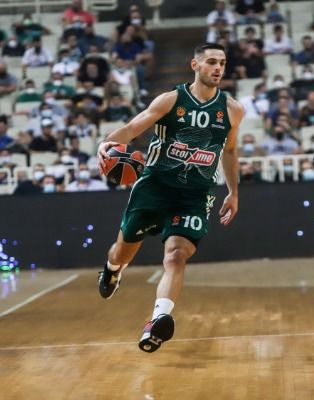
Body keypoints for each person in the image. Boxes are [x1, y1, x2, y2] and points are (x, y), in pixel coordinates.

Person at [96, 43, 244, 353]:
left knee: (176, 256)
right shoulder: (171, 99)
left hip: (194, 195)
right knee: (122, 252)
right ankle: (112, 269)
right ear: (195, 65)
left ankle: (158, 320)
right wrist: (106, 143)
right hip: (154, 187)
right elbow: (132, 128)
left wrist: (233, 192)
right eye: (211, 62)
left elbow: (229, 151)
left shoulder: (233, 109)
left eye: (222, 63)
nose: (218, 68)